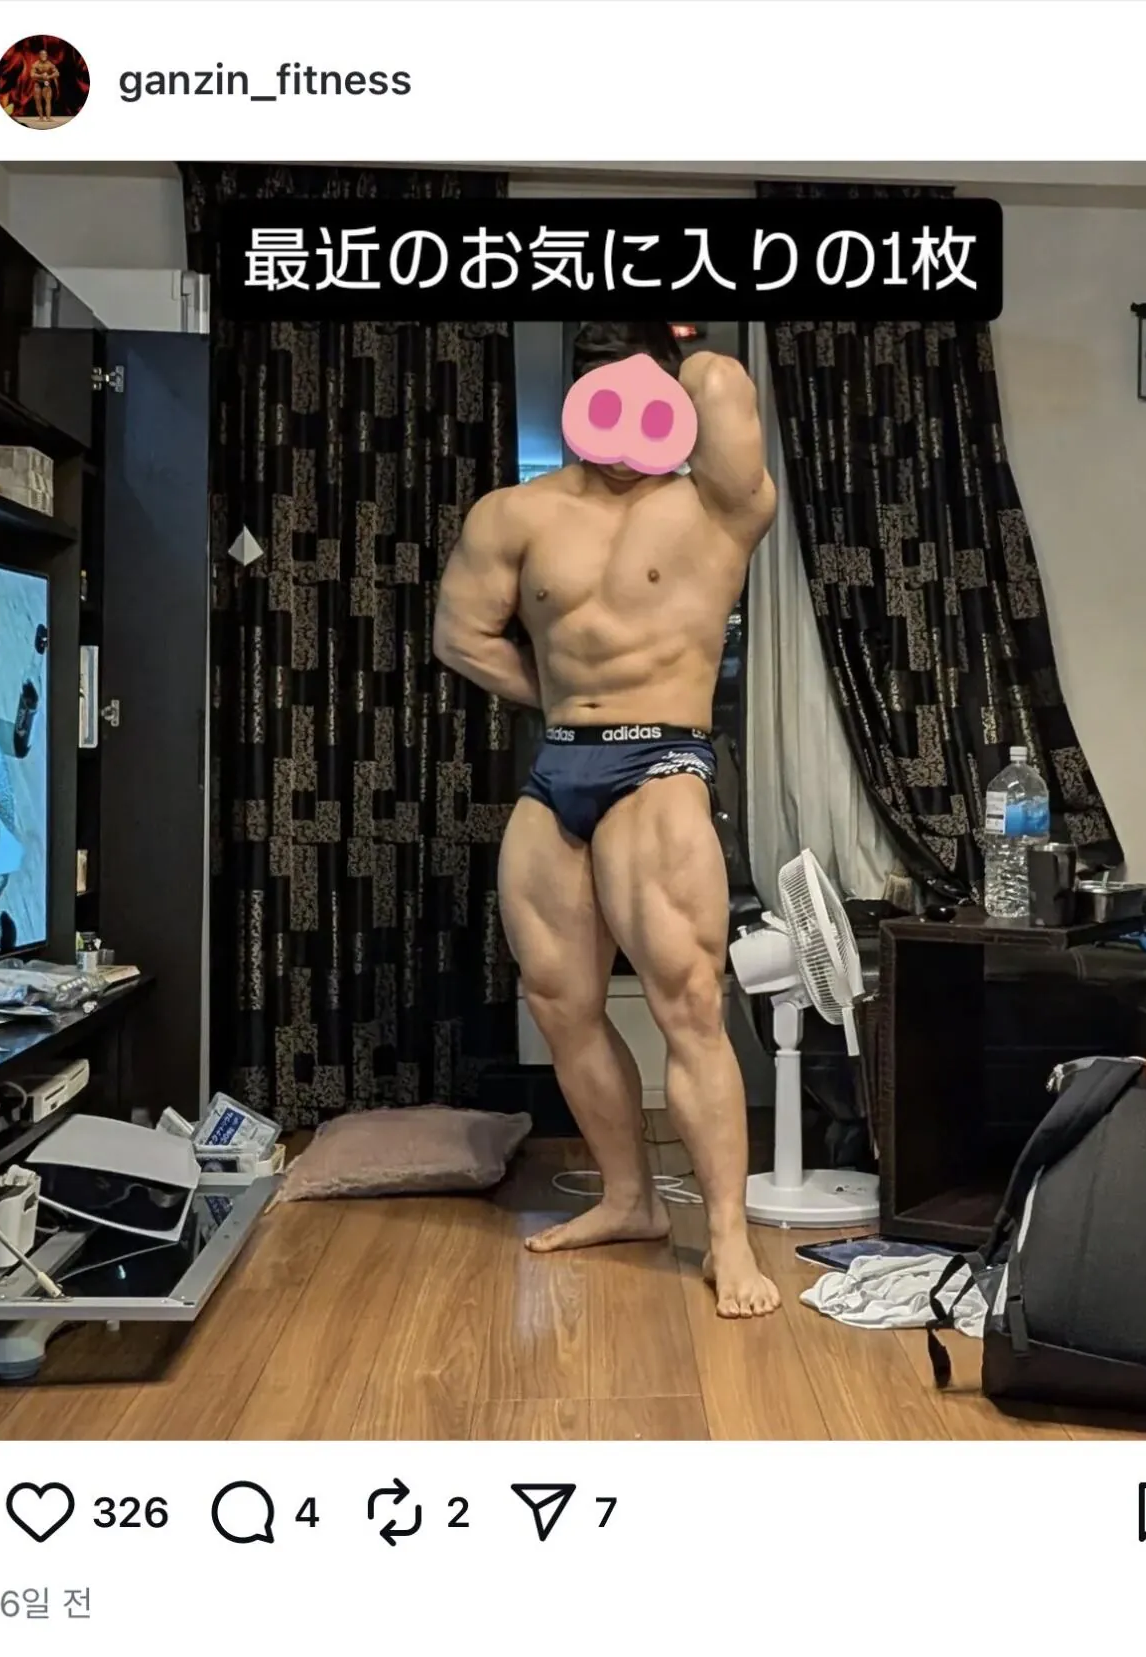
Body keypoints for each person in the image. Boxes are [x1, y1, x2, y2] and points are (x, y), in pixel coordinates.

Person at [434, 321, 780, 1318]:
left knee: (687, 1001)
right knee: (558, 1000)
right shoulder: (514, 513)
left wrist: (680, 357)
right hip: (558, 770)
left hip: (659, 762)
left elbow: (723, 383)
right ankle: (630, 1198)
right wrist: (551, 698)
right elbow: (460, 635)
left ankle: (727, 1237)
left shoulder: (714, 504)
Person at [30, 48, 59, 120]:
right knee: (38, 101)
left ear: (47, 55)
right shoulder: (36, 64)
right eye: (42, 54)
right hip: (38, 84)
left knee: (48, 101)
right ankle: (41, 117)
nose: (44, 56)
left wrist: (49, 76)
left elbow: (57, 73)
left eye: (45, 54)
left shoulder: (50, 64)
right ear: (39, 55)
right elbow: (32, 75)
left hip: (46, 83)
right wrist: (41, 76)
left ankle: (48, 118)